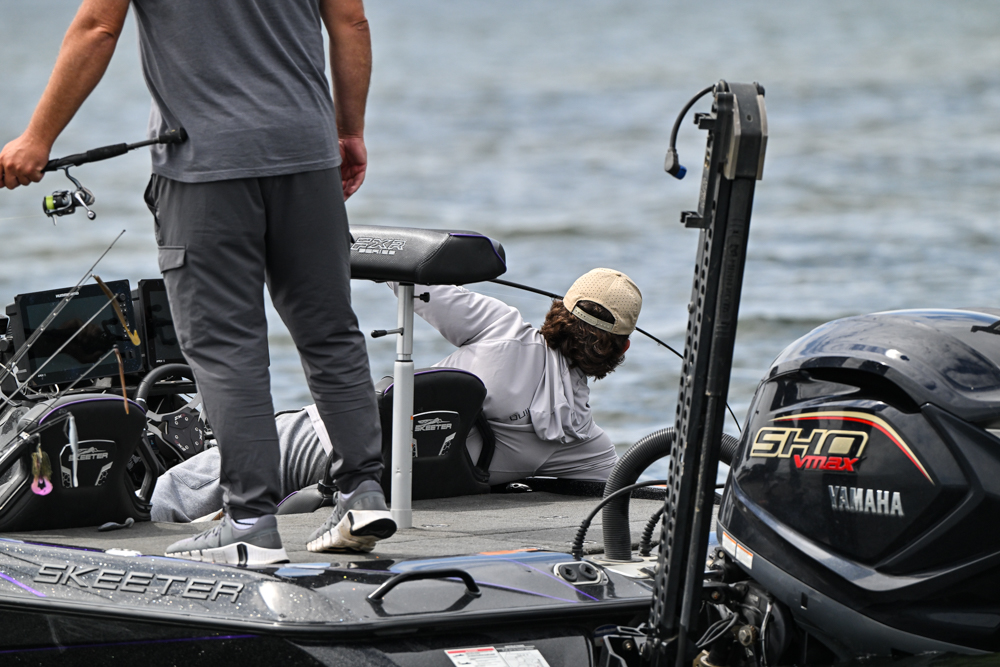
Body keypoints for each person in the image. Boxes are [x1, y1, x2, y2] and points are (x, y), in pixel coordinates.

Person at [0, 0, 395, 564]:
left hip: (205, 167)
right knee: (330, 330)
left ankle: (250, 522)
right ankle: (362, 492)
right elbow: (351, 22)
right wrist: (349, 130)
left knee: (227, 345)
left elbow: (97, 27)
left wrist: (37, 138)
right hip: (308, 156)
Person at [151, 268, 642, 522]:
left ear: (557, 310)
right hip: (371, 485)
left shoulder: (502, 329)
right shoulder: (580, 440)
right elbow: (625, 487)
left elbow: (412, 279)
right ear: (621, 348)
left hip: (321, 443)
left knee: (171, 490)